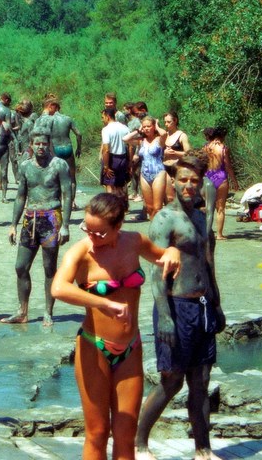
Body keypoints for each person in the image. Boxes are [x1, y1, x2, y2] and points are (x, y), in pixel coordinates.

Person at [51, 193, 180, 460]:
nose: (92, 237)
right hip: (94, 346)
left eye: (99, 233)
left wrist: (173, 251)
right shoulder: (81, 252)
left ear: (118, 226)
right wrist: (103, 303)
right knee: (97, 432)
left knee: (126, 434)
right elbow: (58, 288)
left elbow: (162, 255)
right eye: (87, 229)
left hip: (130, 348)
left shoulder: (134, 242)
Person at [136, 154, 225, 460]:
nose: (188, 185)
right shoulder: (164, 219)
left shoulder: (200, 218)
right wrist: (164, 316)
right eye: (183, 179)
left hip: (202, 305)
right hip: (176, 305)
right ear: (172, 182)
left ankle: (203, 449)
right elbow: (155, 272)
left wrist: (216, 303)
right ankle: (139, 443)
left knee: (201, 381)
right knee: (171, 380)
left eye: (194, 180)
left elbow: (208, 263)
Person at [0, 133, 73, 326]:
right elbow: (20, 197)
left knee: (49, 268)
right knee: (20, 266)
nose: (41, 147)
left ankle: (48, 312)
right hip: (30, 219)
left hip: (51, 218)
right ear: (31, 145)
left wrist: (65, 225)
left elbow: (67, 195)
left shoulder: (59, 165)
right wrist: (13, 225)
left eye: (44, 143)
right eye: (37, 143)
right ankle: (22, 311)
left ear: (49, 145)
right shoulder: (25, 166)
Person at [37, 99, 83, 198]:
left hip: (55, 149)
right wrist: (79, 148)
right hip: (68, 149)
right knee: (72, 177)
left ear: (53, 107)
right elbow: (79, 134)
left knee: (56, 177)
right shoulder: (67, 119)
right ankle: (72, 202)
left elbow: (44, 135)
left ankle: (59, 200)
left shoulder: (49, 120)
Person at [124, 115, 168, 219]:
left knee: (157, 207)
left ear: (153, 127)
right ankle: (153, 227)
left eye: (149, 126)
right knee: (149, 208)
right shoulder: (141, 140)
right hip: (144, 174)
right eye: (144, 127)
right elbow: (125, 139)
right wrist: (138, 130)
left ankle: (159, 227)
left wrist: (157, 126)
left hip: (158, 173)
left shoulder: (159, 140)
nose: (146, 128)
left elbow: (164, 133)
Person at [202, 127, 240, 240]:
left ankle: (206, 233)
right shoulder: (223, 148)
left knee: (208, 207)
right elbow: (228, 166)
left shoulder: (205, 147)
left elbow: (202, 163)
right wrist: (234, 181)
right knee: (220, 208)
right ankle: (219, 234)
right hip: (221, 178)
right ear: (221, 136)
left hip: (208, 177)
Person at [100, 107, 132, 201]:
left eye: (103, 117)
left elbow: (106, 149)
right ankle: (122, 205)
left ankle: (110, 206)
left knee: (109, 185)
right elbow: (130, 147)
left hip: (112, 159)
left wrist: (106, 166)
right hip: (123, 158)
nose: (102, 120)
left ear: (107, 116)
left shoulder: (106, 129)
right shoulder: (125, 128)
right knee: (120, 185)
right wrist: (129, 162)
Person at [162, 111, 191, 204]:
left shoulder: (182, 135)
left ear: (175, 121)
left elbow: (188, 153)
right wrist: (164, 152)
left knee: (177, 195)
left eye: (168, 122)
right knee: (167, 196)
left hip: (177, 167)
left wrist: (175, 152)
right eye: (165, 122)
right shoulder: (164, 135)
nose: (166, 124)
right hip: (164, 166)